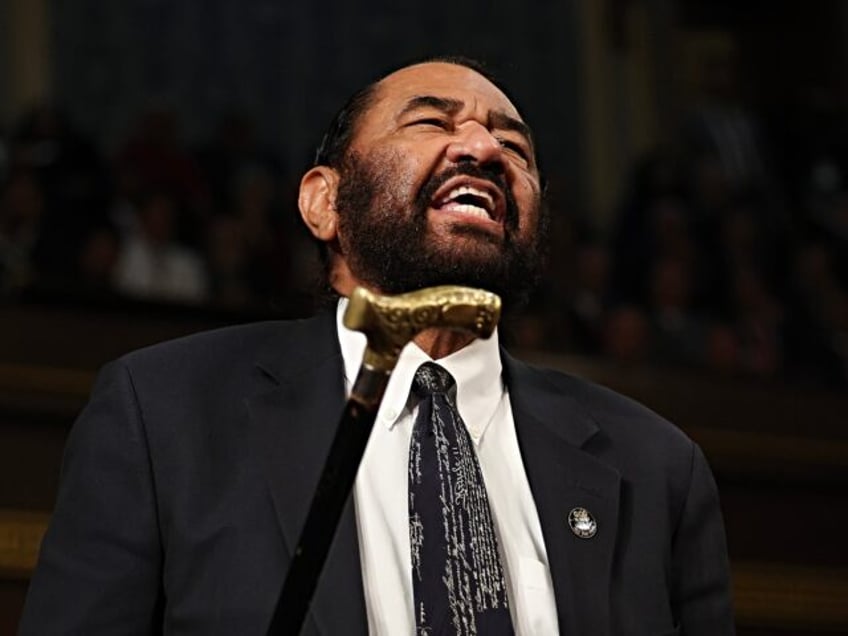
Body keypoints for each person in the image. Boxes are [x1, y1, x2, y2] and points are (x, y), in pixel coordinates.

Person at [20, 57, 734, 635]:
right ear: (322, 202)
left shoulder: (657, 467)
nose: (485, 148)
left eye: (514, 146)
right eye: (431, 121)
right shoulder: (163, 415)